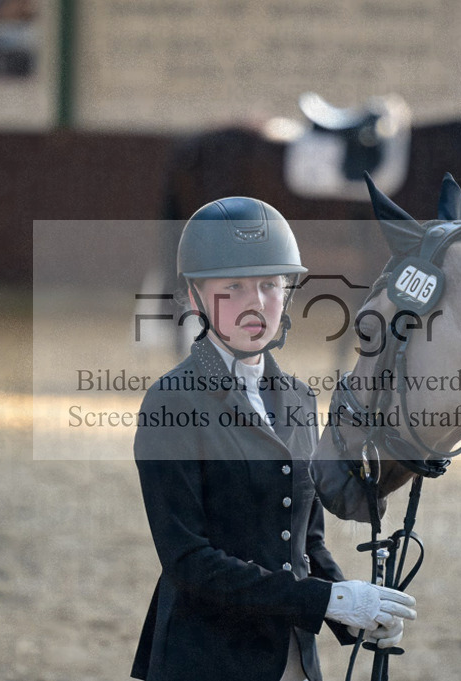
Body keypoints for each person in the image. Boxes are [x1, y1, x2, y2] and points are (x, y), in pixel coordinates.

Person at [132, 197, 417, 681]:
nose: (256, 303)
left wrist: (358, 614)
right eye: (234, 287)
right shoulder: (170, 402)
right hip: (206, 662)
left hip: (295, 663)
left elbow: (308, 544)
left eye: (270, 285)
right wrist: (327, 601)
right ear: (195, 296)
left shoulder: (299, 399)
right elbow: (188, 561)